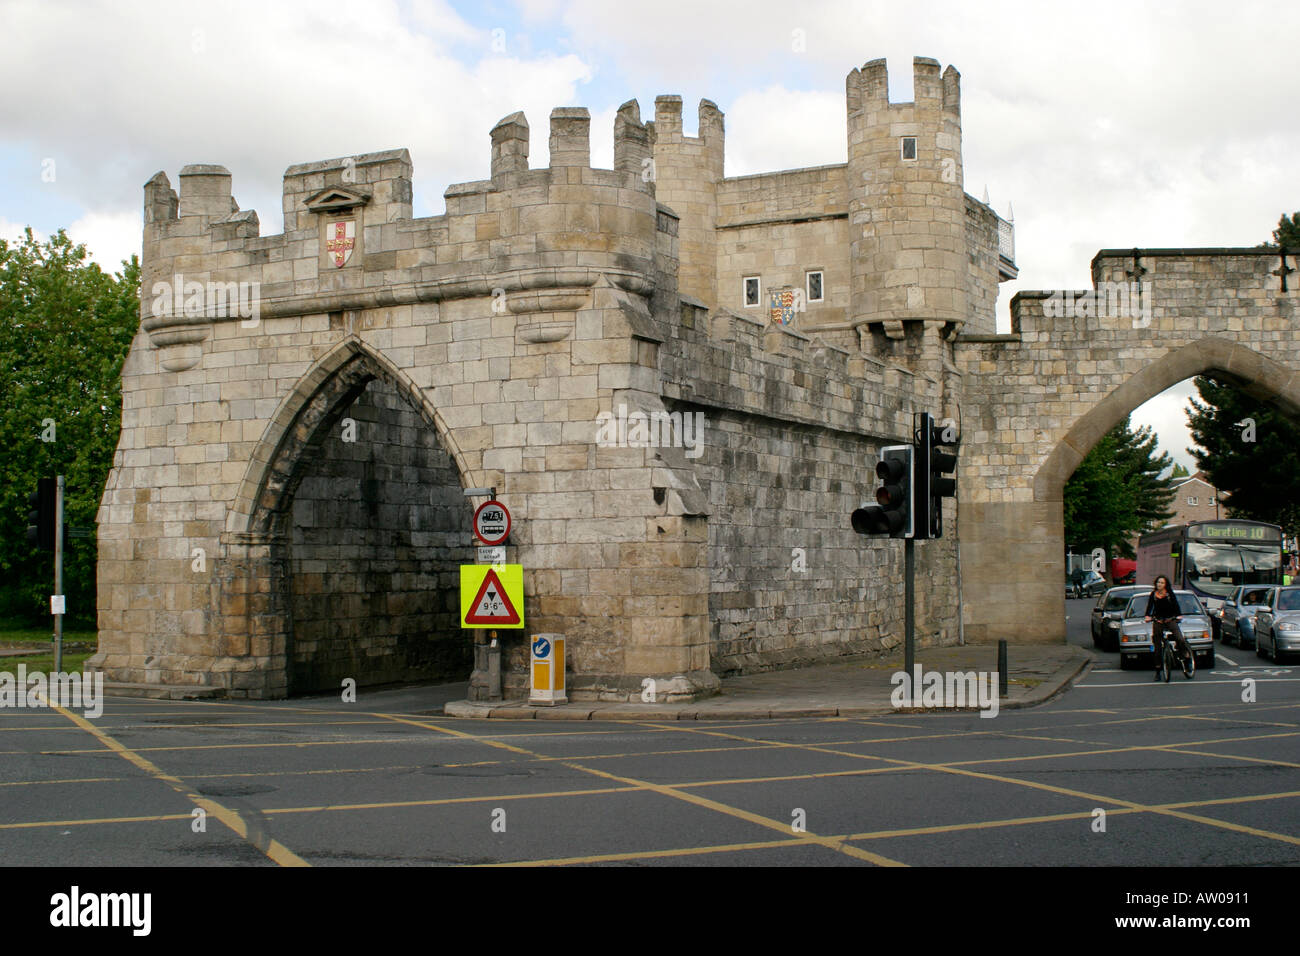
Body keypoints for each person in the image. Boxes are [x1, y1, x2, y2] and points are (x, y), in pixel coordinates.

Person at [1143, 575, 1188, 680]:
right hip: (1158, 620)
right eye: (1158, 582)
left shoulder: (1169, 594)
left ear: (1166, 585)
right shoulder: (1153, 595)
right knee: (1157, 646)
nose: (1159, 584)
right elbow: (1150, 606)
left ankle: (1183, 652)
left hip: (1170, 619)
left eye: (1162, 583)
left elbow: (1176, 605)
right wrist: (1148, 616)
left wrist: (1178, 615)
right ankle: (1158, 671)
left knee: (1179, 638)